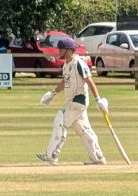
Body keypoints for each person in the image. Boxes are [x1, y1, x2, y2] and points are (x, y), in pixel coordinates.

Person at [36, 37, 109, 165]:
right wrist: (53, 94)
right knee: (84, 130)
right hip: (71, 101)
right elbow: (65, 81)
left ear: (69, 50)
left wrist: (98, 99)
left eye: (61, 49)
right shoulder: (66, 64)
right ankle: (97, 157)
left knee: (60, 122)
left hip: (78, 101)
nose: (59, 51)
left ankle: (52, 155)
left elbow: (89, 80)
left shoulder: (79, 63)